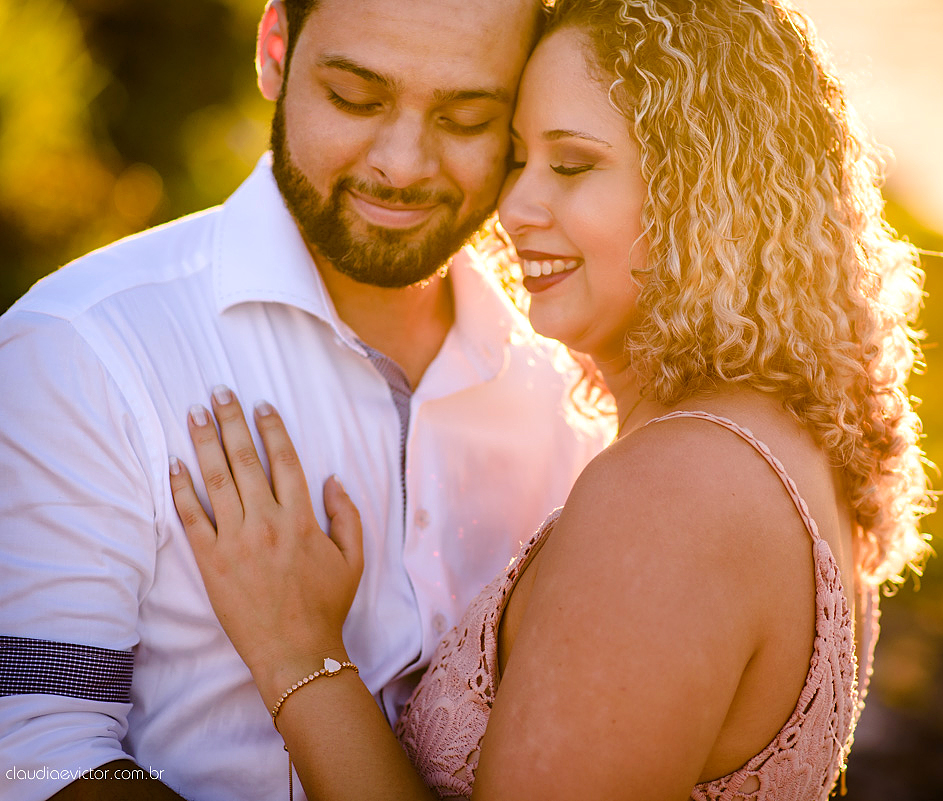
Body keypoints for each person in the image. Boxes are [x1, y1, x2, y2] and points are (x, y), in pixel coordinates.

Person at [170, 0, 934, 798]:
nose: (514, 208)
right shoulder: (775, 439)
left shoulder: (677, 493)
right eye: (515, 159)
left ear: (708, 192)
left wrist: (302, 656)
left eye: (571, 166)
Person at [0, 0, 609, 799]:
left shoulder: (572, 392)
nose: (402, 164)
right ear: (275, 52)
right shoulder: (83, 346)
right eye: (356, 99)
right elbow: (31, 752)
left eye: (466, 117)